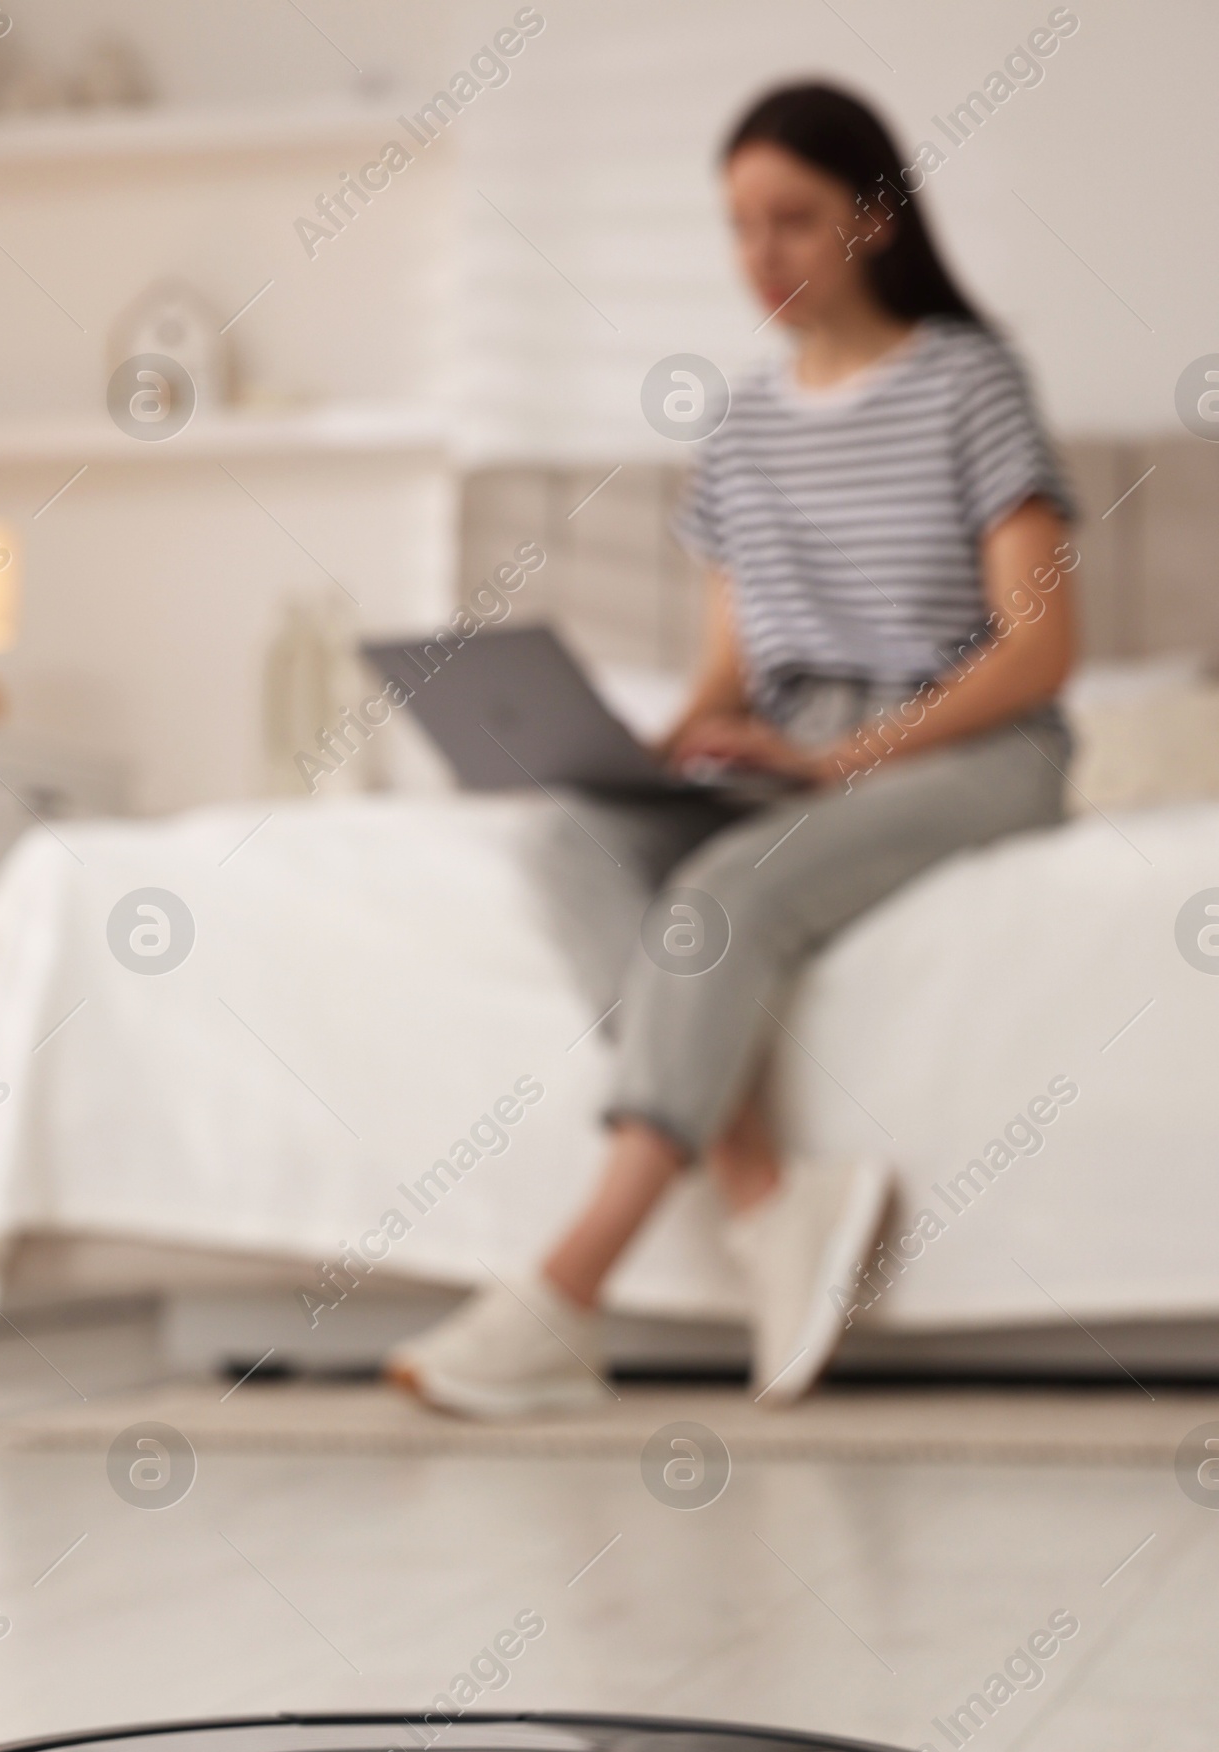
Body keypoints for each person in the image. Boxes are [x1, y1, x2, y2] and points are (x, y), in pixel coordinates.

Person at [388, 80, 1078, 1418]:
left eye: (795, 221)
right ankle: (770, 1204)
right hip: (797, 752)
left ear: (873, 219)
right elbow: (729, 664)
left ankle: (564, 1296)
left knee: (720, 897)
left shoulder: (968, 382)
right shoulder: (744, 427)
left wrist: (851, 756)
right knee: (574, 843)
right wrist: (663, 749)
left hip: (974, 750)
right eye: (739, 227)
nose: (761, 258)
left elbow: (1039, 652)